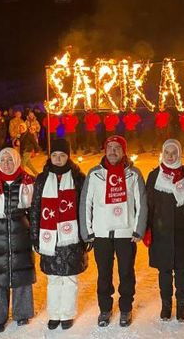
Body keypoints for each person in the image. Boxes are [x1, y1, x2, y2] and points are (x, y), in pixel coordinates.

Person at [79, 135, 147, 327]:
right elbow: (86, 203)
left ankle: (125, 308)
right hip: (102, 234)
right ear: (105, 150)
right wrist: (88, 231)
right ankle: (105, 308)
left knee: (126, 272)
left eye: (117, 147)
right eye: (110, 147)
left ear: (123, 151)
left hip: (126, 234)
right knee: (104, 274)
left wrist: (138, 229)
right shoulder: (95, 174)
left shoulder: (133, 174)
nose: (113, 151)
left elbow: (141, 203)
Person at [30, 139, 90, 330]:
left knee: (70, 279)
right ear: (50, 157)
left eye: (62, 155)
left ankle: (67, 314)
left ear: (68, 157)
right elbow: (35, 209)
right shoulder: (41, 179)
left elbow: (86, 208)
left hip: (72, 238)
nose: (58, 159)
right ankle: (55, 313)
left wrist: (87, 234)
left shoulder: (78, 178)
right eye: (55, 155)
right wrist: (34, 236)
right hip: (50, 236)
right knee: (53, 279)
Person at [0, 147, 36, 333]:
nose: (6, 164)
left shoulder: (27, 182)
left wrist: (35, 236)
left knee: (21, 274)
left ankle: (22, 313)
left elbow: (34, 212)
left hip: (21, 233)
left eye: (10, 160)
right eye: (3, 160)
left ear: (17, 161)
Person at [144, 139, 184, 322]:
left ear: (179, 154)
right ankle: (166, 304)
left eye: (174, 153)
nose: (170, 156)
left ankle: (182, 304)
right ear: (162, 154)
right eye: (167, 153)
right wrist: (147, 229)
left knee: (182, 271)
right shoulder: (154, 176)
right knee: (165, 272)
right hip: (161, 233)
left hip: (183, 234)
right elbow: (149, 205)